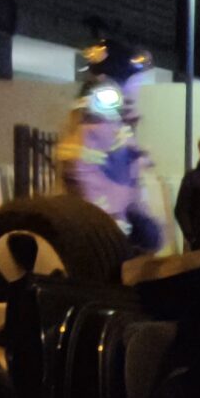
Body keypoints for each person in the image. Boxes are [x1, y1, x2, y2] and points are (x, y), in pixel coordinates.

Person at [55, 37, 163, 258]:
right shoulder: (99, 114)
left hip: (114, 212)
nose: (136, 88)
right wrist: (107, 217)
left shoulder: (116, 118)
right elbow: (83, 166)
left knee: (145, 240)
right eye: (134, 81)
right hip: (103, 216)